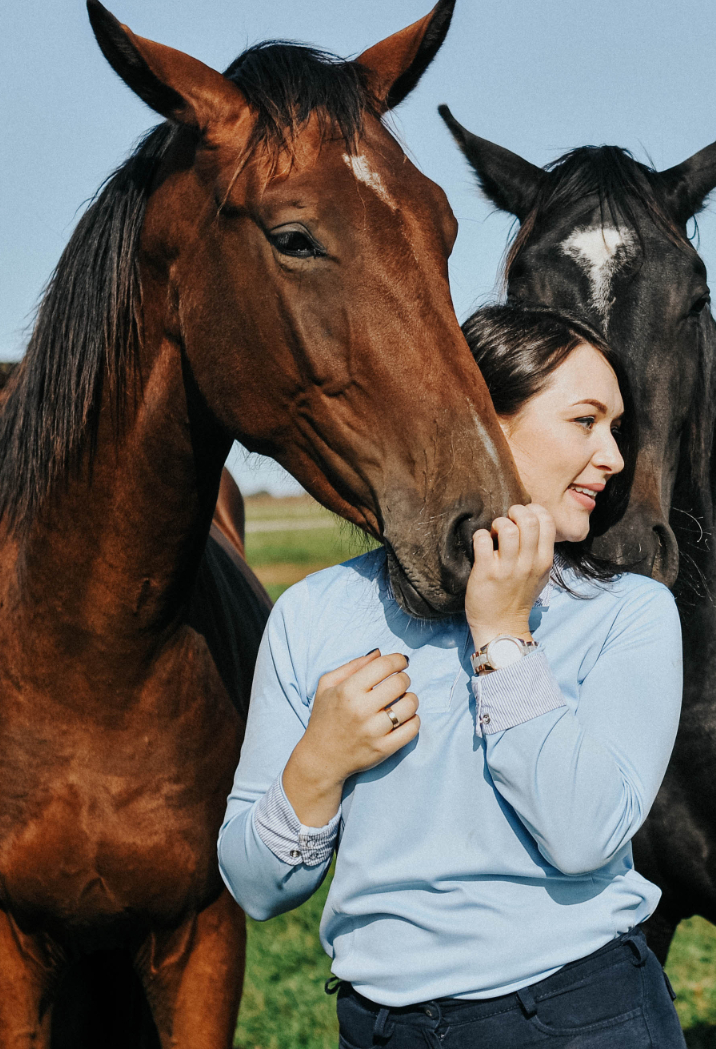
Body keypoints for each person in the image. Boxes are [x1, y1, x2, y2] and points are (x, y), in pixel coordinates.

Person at [217, 304, 686, 1048]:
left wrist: (503, 636)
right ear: (480, 421)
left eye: (615, 429)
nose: (613, 457)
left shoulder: (629, 614)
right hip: (379, 1030)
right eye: (584, 420)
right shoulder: (313, 613)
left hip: (576, 1019)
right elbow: (254, 885)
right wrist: (316, 764)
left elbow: (583, 837)